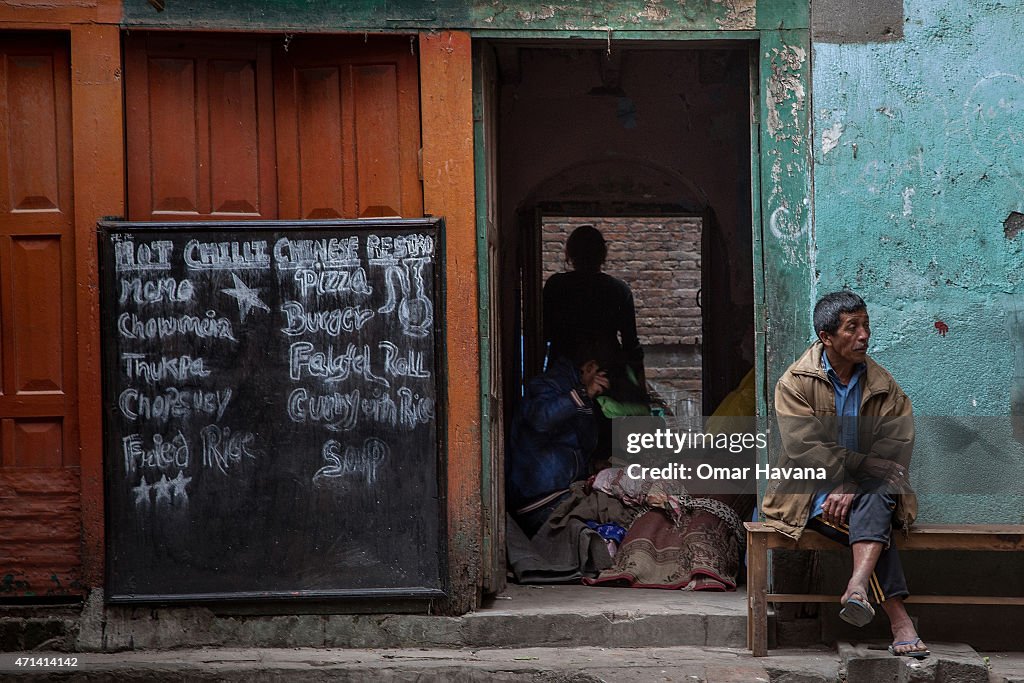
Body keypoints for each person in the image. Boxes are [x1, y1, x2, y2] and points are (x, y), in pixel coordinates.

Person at [762, 291, 929, 659]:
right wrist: (850, 477)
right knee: (876, 510)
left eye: (866, 325)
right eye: (852, 328)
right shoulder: (794, 383)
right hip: (809, 495)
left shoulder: (883, 385)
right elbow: (805, 447)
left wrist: (855, 483)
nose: (864, 335)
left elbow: (896, 446)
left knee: (878, 497)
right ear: (826, 337)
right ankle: (899, 620)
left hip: (867, 491)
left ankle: (857, 585)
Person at [506, 338, 611, 537]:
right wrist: (582, 394)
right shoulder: (549, 385)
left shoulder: (580, 395)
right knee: (612, 515)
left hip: (561, 495)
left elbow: (569, 447)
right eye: (600, 374)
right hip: (541, 501)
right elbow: (541, 419)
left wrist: (593, 466)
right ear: (590, 367)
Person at [543, 225, 646, 401]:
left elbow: (543, 333)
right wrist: (638, 391)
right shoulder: (618, 290)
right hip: (606, 376)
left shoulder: (557, 286)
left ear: (570, 253)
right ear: (602, 255)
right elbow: (631, 346)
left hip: (563, 375)